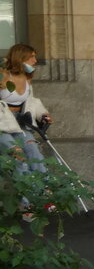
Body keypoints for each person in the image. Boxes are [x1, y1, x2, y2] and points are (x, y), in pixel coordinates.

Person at [0, 43, 51, 179]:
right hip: (2, 124)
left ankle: (44, 194)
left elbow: (31, 101)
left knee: (34, 152)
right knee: (18, 156)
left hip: (20, 122)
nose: (35, 61)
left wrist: (42, 114)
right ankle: (25, 199)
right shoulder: (3, 76)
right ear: (20, 57)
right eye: (32, 57)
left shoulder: (27, 78)